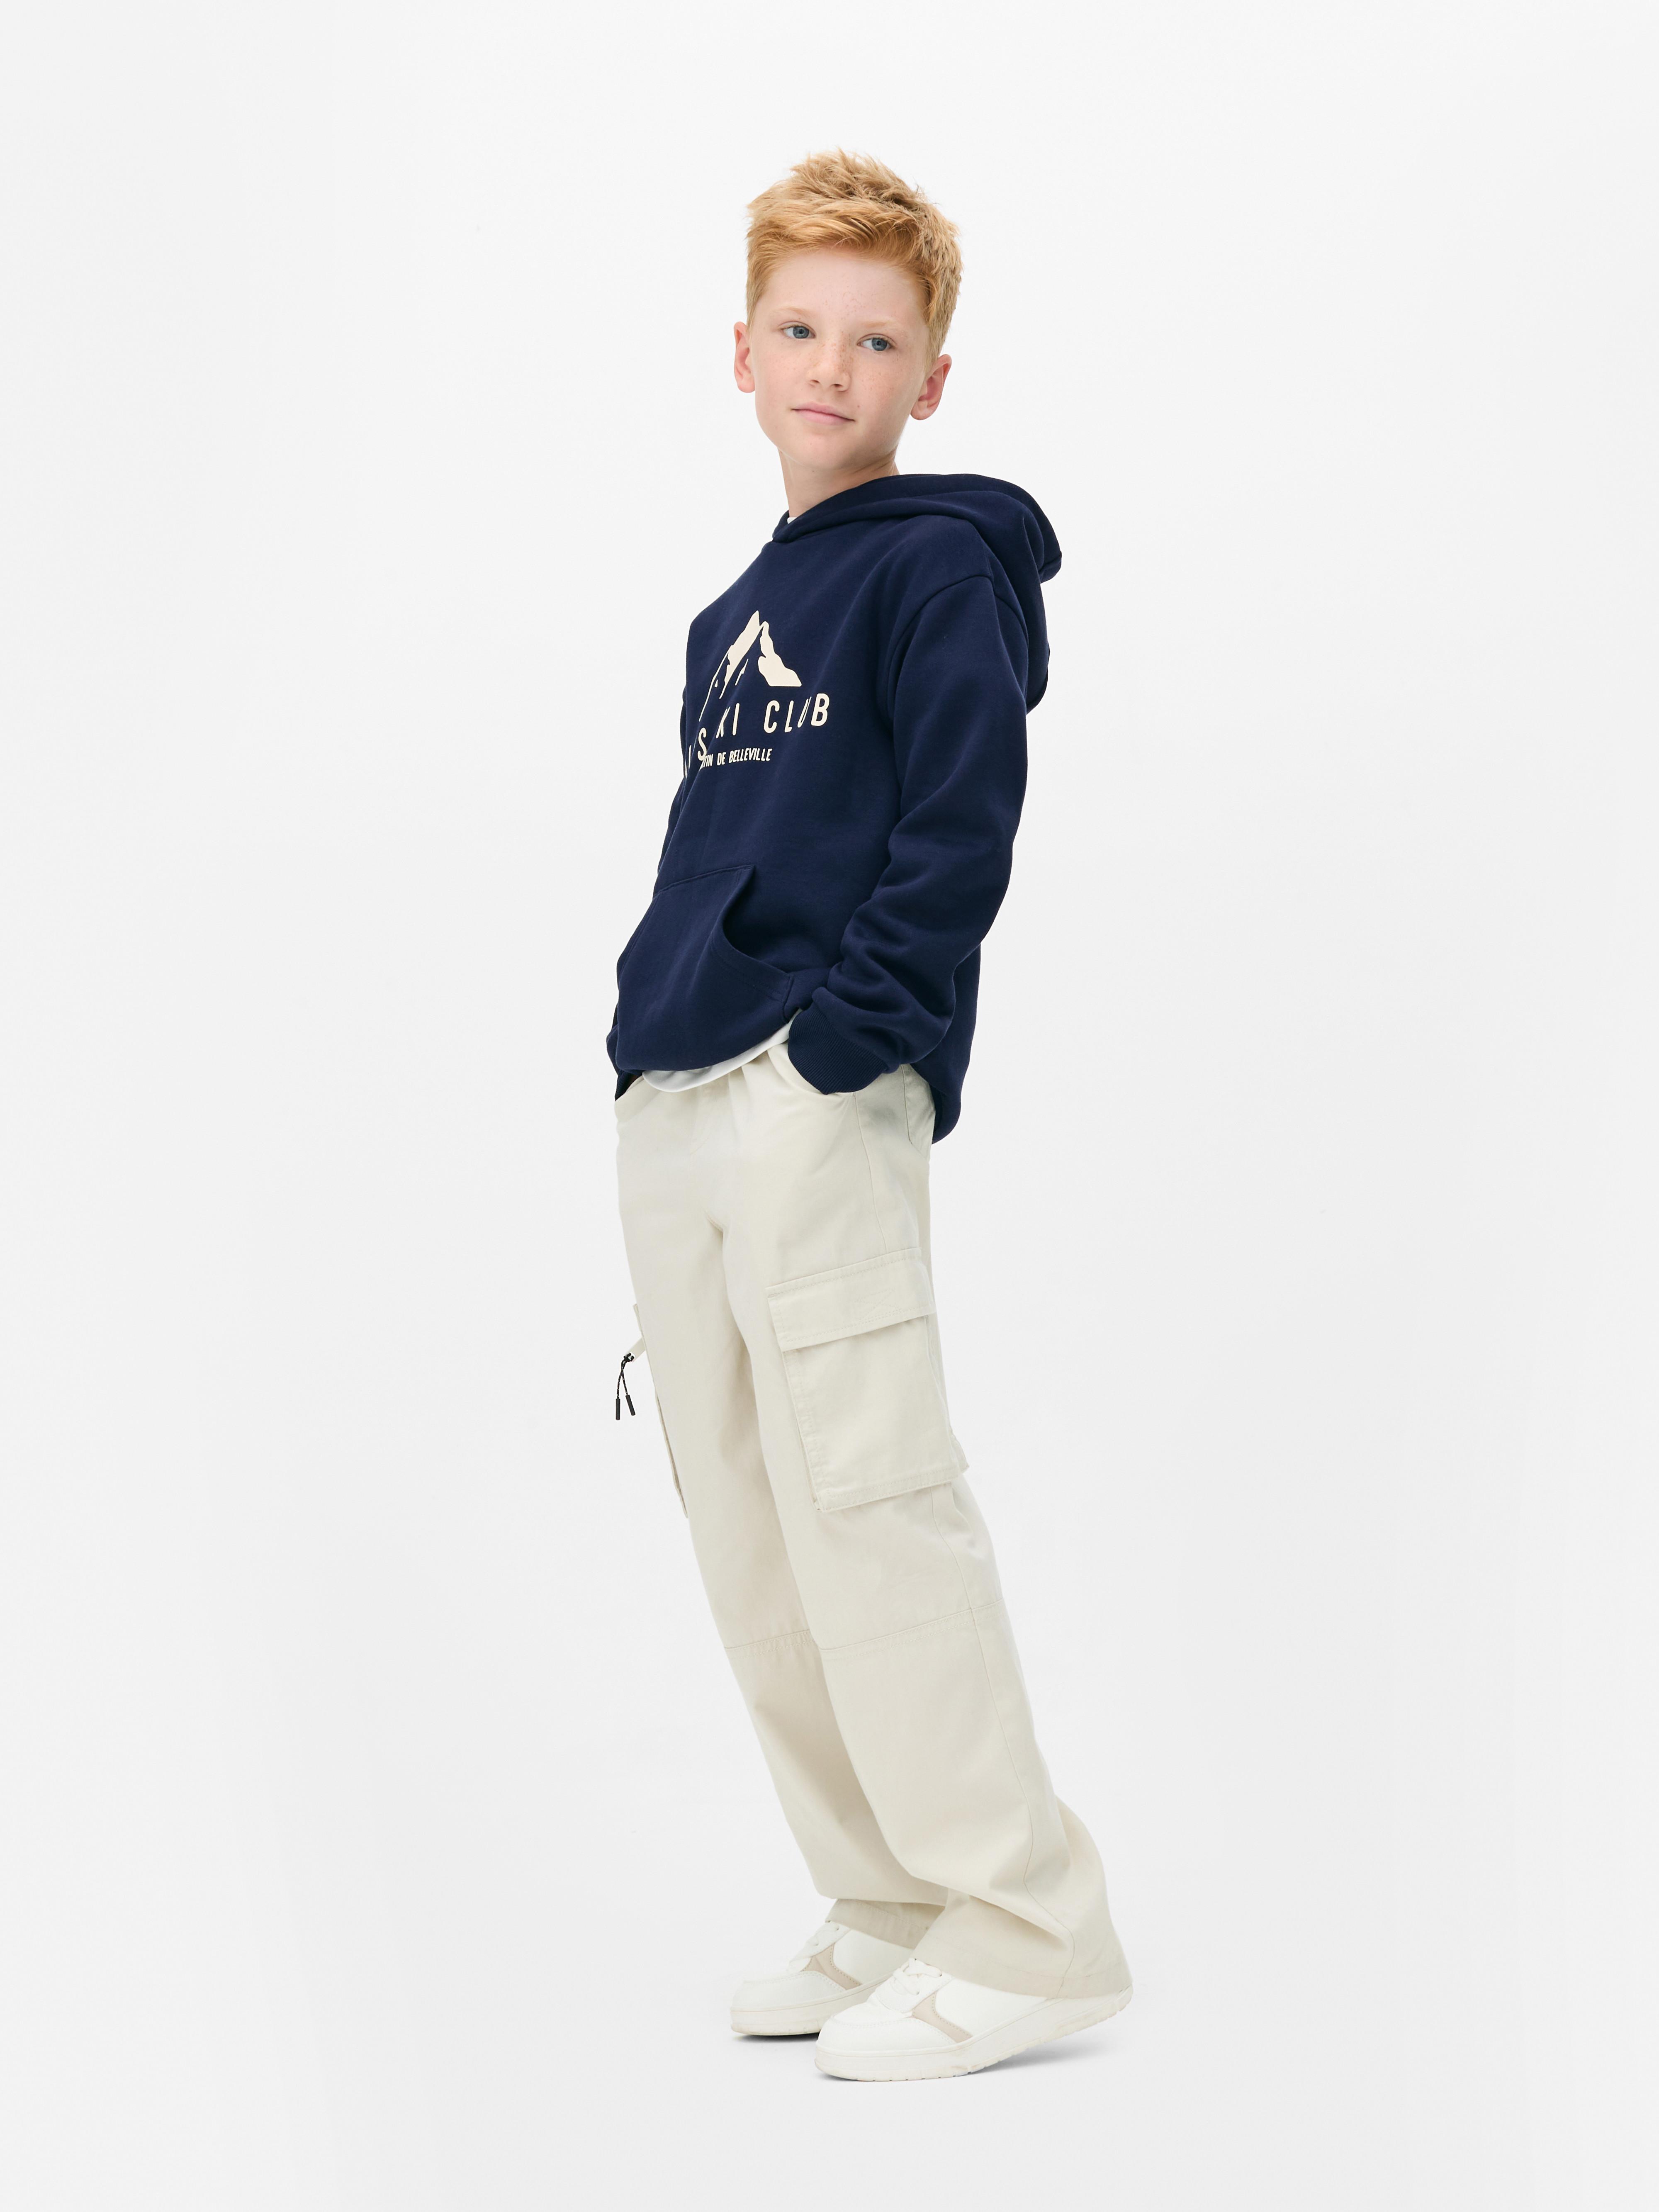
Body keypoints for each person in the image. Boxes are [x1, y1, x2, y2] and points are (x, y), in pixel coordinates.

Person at [608, 150, 1131, 2082]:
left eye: (878, 339)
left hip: (809, 1089)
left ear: (932, 375)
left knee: (872, 1504)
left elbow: (956, 832)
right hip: (680, 1091)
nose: (834, 366)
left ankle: (1032, 1922)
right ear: (741, 353)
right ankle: (891, 1895)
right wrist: (645, 1049)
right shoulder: (731, 614)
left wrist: (847, 1051)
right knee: (752, 1531)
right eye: (801, 329)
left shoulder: (938, 568)